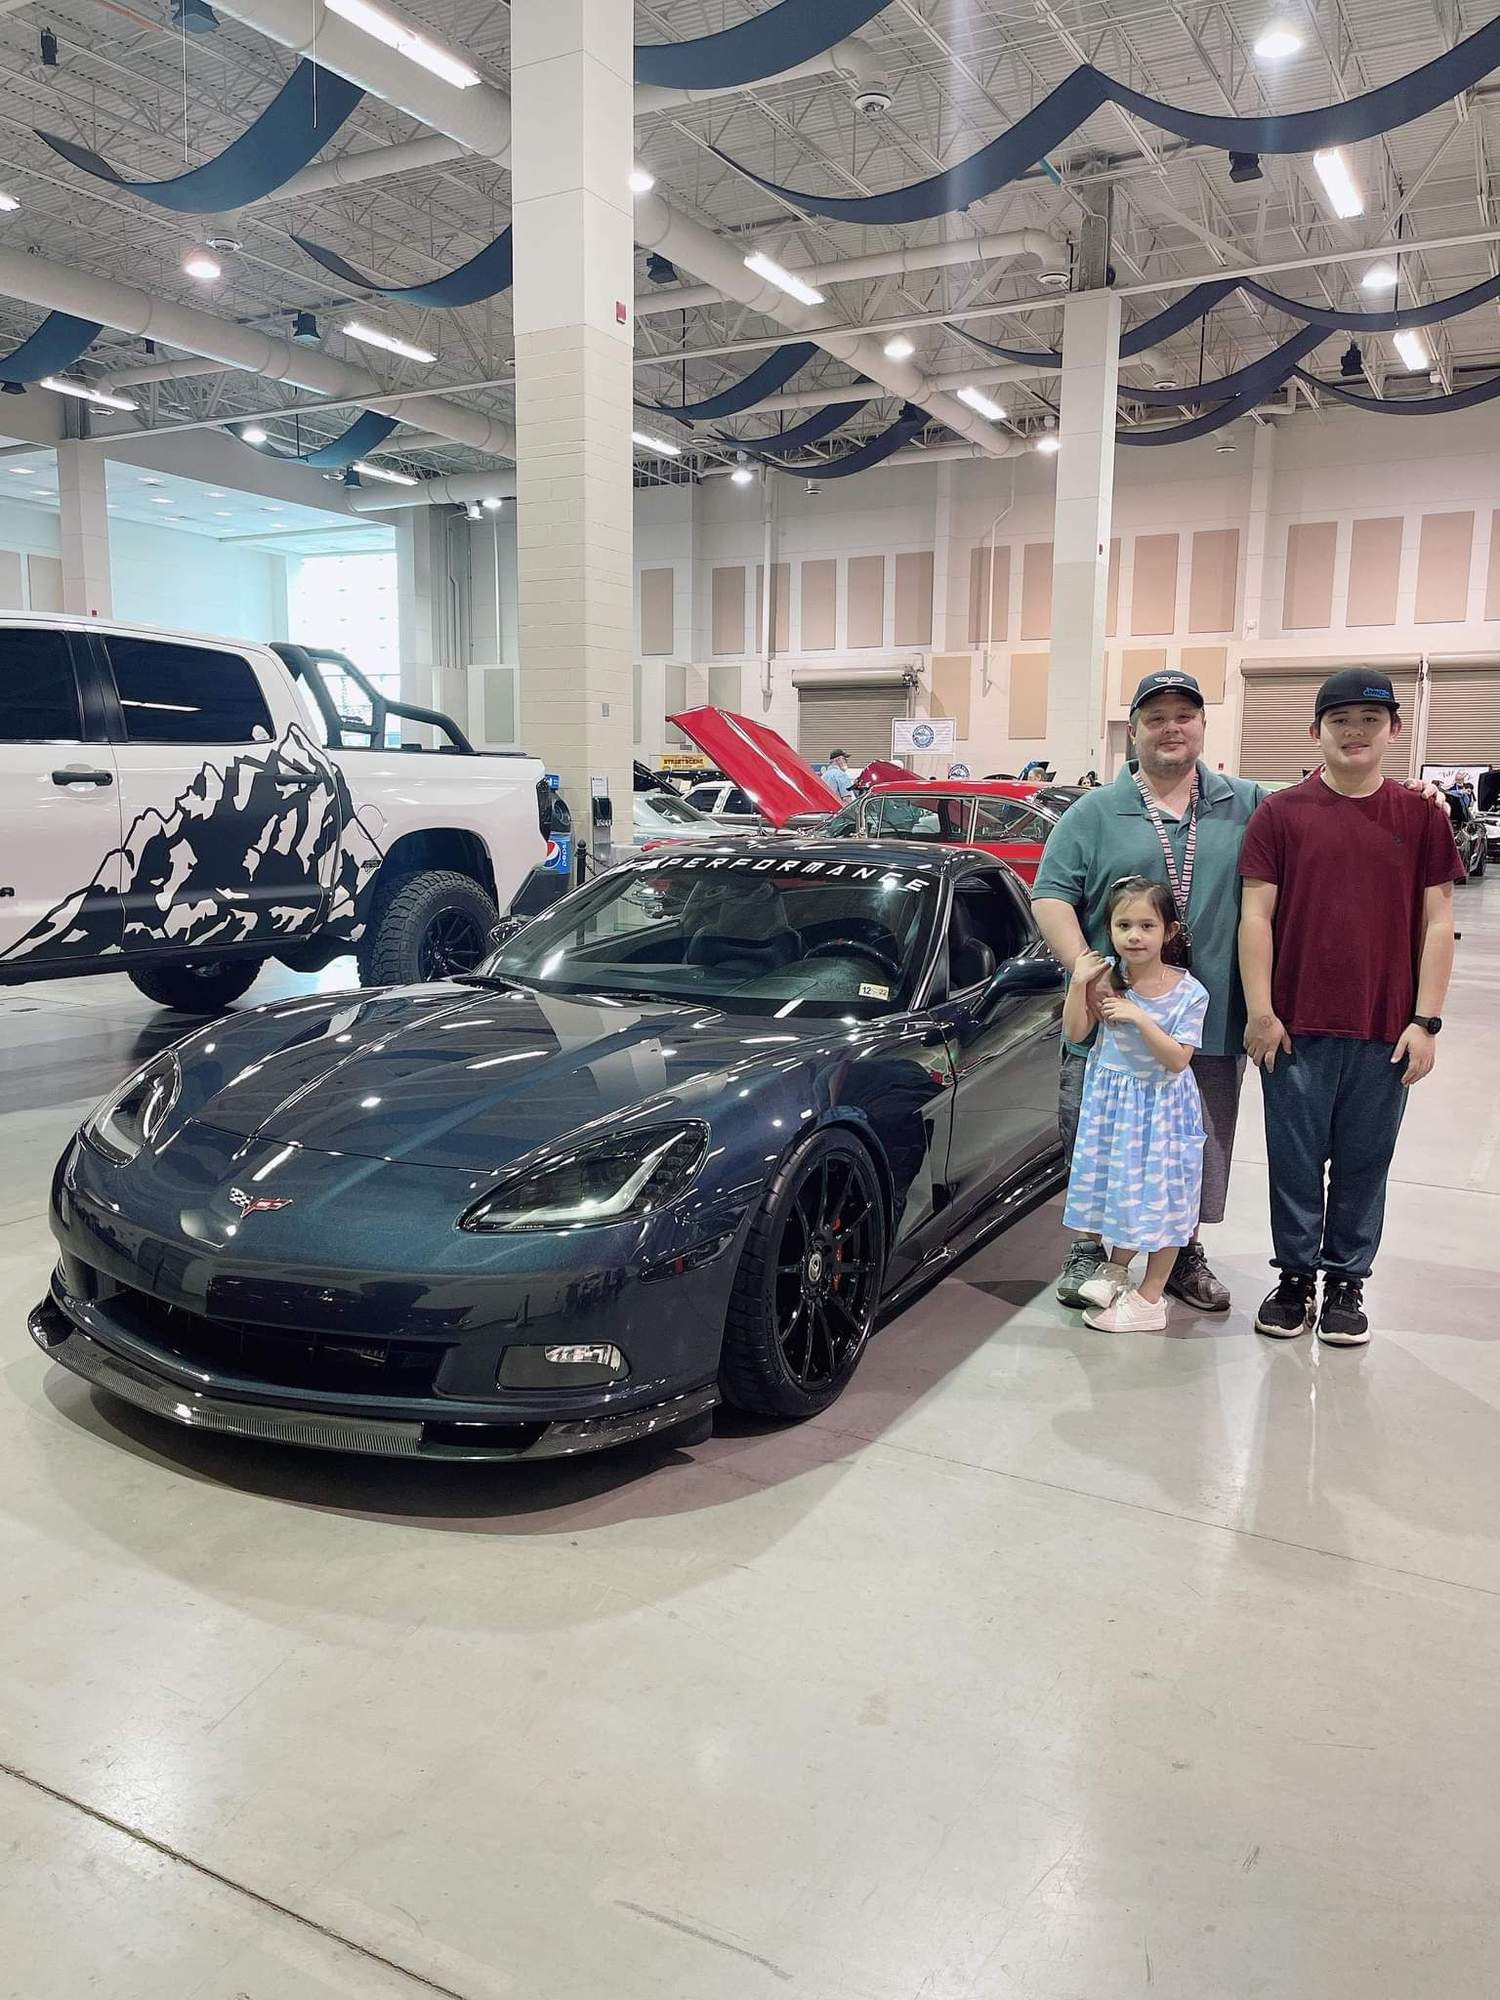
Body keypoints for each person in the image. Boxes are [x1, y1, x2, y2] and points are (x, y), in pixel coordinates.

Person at [1238, 669, 1464, 1346]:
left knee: (1366, 1160)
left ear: (1394, 730)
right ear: (1317, 732)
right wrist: (1260, 1011)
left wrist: (1426, 1021)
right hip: (1295, 1024)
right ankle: (1295, 1277)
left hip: (1385, 1028)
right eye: (1340, 720)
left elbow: (1437, 921)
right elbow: (1256, 915)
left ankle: (1346, 1282)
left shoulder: (1420, 817)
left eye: (1370, 720)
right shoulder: (1280, 814)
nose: (1355, 732)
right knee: (1294, 1158)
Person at [1033, 671, 1265, 1314]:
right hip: (1109, 1022)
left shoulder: (1245, 802)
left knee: (1192, 1145)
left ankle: (1184, 1249)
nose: (1171, 728)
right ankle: (1090, 1247)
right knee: (1095, 1135)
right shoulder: (1093, 812)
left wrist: (1415, 797)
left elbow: (1324, 811)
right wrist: (1085, 966)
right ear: (1132, 730)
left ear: (1202, 727)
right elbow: (1050, 894)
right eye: (1155, 717)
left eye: (1184, 716)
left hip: (1201, 1023)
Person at [1061, 877, 1209, 1333]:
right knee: (1122, 1190)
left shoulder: (1189, 992)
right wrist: (1079, 984)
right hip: (1113, 1105)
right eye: (1124, 924)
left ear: (1169, 931)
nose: (1135, 935)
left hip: (1161, 1109)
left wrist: (1140, 1019)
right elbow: (1075, 1033)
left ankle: (1151, 1297)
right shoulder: (1105, 976)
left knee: (1164, 1196)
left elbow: (1178, 1060)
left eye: (1147, 925)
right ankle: (1117, 1268)